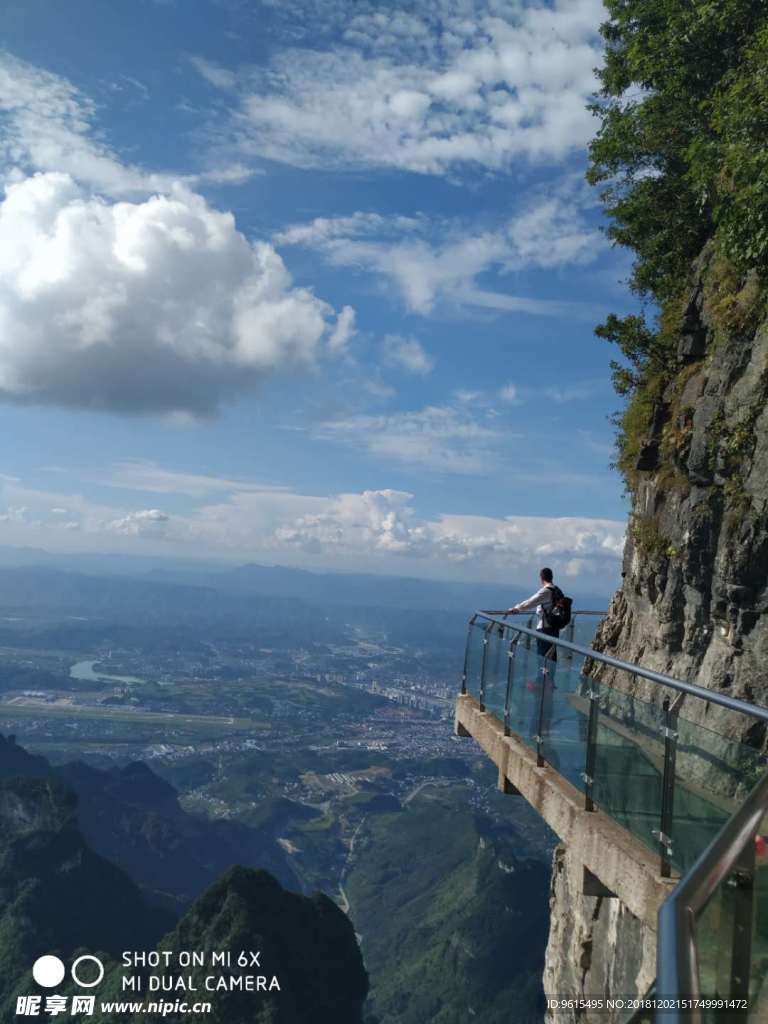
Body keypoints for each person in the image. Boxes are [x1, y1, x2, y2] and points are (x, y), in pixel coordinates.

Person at [507, 567, 560, 664]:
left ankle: (542, 679)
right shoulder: (556, 590)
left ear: (541, 578)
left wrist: (516, 608)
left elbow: (531, 602)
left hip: (545, 629)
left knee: (543, 658)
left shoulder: (546, 591)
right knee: (551, 658)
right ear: (552, 577)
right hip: (554, 628)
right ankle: (549, 678)